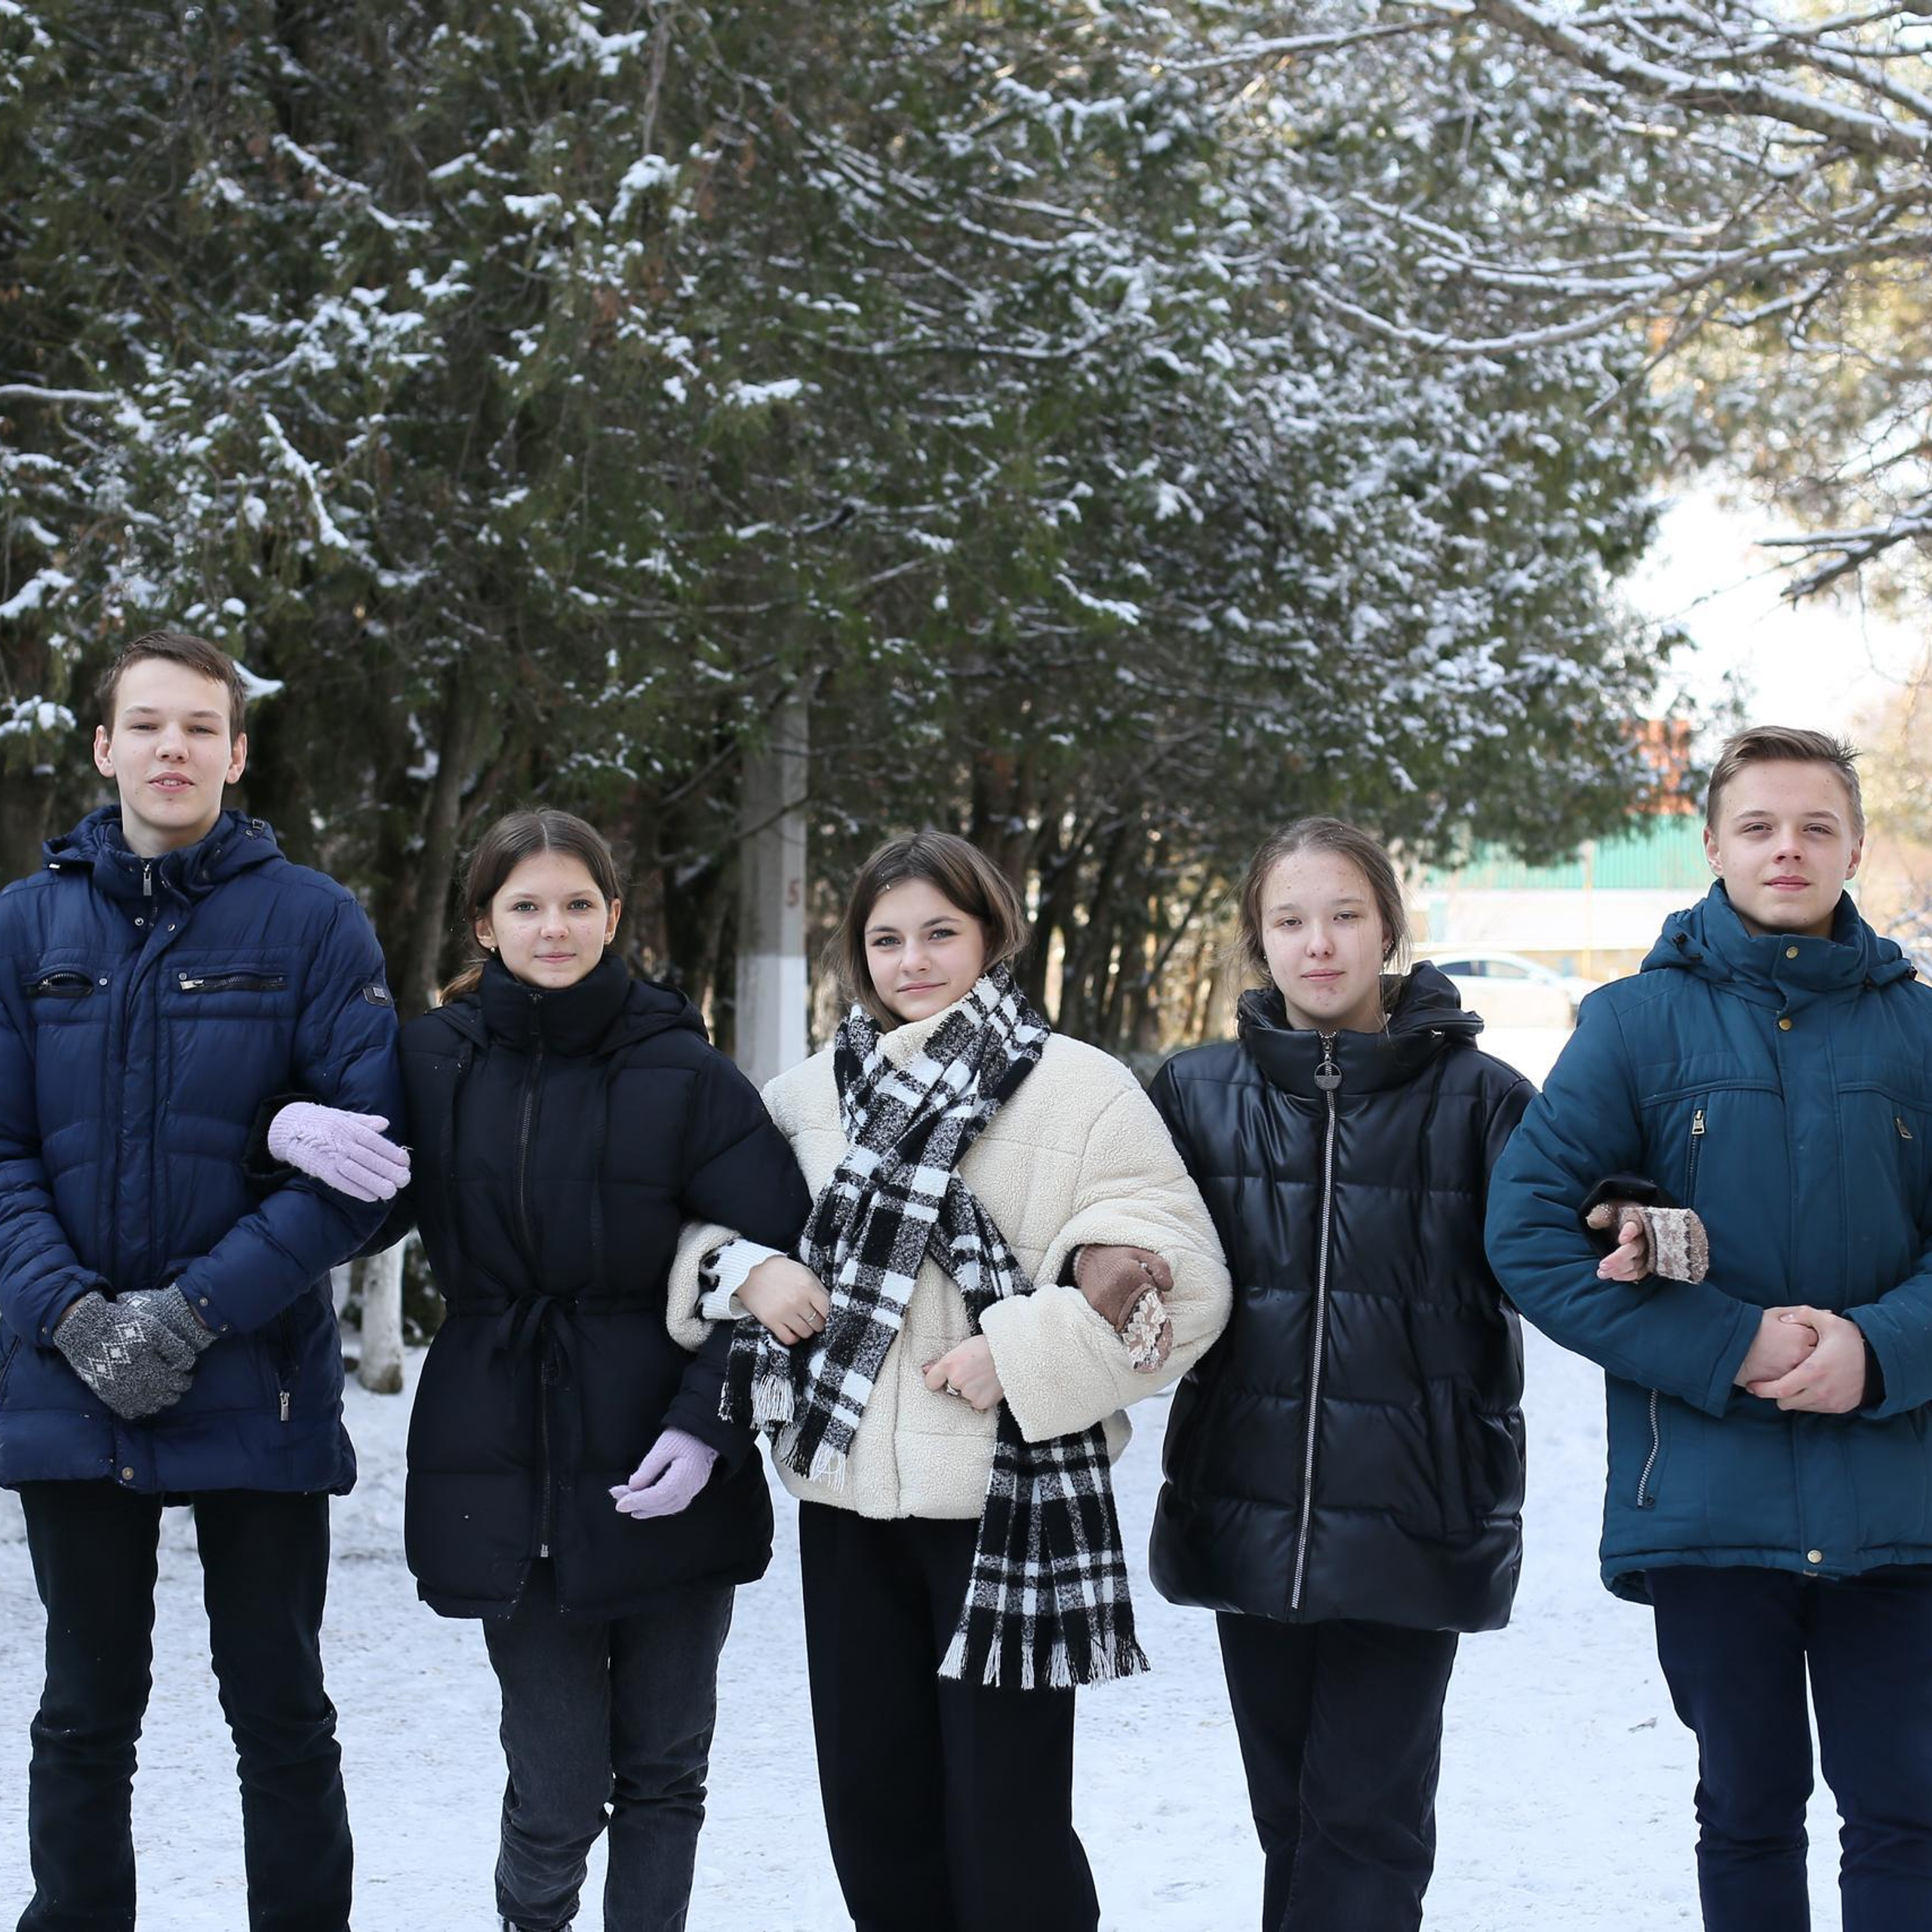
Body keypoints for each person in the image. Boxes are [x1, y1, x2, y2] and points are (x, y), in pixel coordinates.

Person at [666, 829, 1231, 1932]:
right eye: (886, 938)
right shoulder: (805, 1098)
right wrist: (749, 1268)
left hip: (1002, 1504)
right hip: (845, 1505)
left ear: (991, 935)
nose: (912, 959)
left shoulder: (1080, 1090)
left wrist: (1021, 1353)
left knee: (1007, 1821)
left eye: (939, 933)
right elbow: (697, 1243)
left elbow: (1186, 1288)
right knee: (874, 1812)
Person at [269, 808, 810, 1932]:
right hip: (500, 1448)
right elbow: (363, 1212)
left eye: (577, 905)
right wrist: (282, 1133)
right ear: (484, 924)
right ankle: (533, 1918)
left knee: (664, 1769)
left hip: (661, 1449)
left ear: (615, 916)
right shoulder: (428, 1057)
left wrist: (709, 1424)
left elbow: (776, 1257)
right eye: (526, 905)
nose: (553, 927)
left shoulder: (689, 1071)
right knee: (559, 1787)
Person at [1485, 725, 1932, 1932]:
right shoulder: (1633, 1024)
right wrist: (1724, 1345)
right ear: (1715, 844)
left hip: (1899, 1509)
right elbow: (1526, 1229)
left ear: (1855, 844)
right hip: (1709, 1505)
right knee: (1747, 1807)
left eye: (1816, 827)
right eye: (1760, 826)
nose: (1788, 848)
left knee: (1906, 1812)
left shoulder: (1920, 1032)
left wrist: (1880, 1351)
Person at [0, 629, 403, 1932]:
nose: (174, 747)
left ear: (237, 753)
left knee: (279, 1713)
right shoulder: (22, 926)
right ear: (106, 745)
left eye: (201, 728)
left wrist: (189, 1313)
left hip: (256, 1385)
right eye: (148, 724)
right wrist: (68, 1312)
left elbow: (364, 1165)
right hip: (69, 1384)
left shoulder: (314, 920)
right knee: (80, 1717)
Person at [1146, 817, 1533, 1932]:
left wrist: (1633, 1219)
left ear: (1391, 931)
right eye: (1292, 920)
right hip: (1247, 1504)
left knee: (1368, 1827)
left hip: (1416, 1513)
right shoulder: (1194, 1093)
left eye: (1346, 916)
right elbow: (1110, 1231)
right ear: (1259, 942)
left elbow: (1562, 1235)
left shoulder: (1484, 1099)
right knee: (1293, 1823)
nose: (1320, 943)